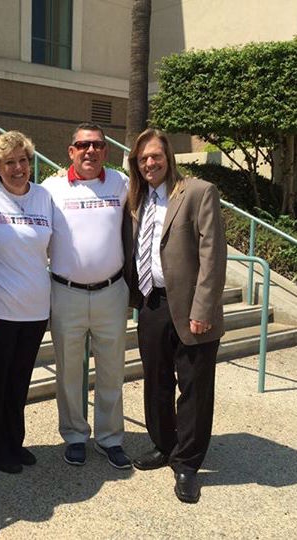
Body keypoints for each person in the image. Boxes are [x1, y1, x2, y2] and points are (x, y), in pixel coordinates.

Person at [125, 128, 227, 503]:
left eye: (155, 156)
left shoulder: (198, 192)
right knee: (156, 381)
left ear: (168, 156)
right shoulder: (136, 198)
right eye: (142, 159)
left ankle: (187, 463)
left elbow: (213, 257)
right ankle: (164, 444)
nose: (150, 163)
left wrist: (203, 309)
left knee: (195, 388)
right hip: (152, 303)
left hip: (191, 307)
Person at [42, 122, 131, 469]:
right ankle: (75, 434)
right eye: (83, 145)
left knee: (112, 369)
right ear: (71, 151)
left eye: (97, 145)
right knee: (67, 370)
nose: (90, 151)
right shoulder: (51, 188)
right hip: (66, 293)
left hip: (112, 291)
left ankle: (110, 437)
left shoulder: (121, 184)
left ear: (105, 151)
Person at [0, 131, 52, 474]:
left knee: (20, 380)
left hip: (36, 308)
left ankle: (15, 441)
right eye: (9, 162)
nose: (18, 168)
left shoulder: (44, 196)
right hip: (0, 308)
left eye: (23, 160)